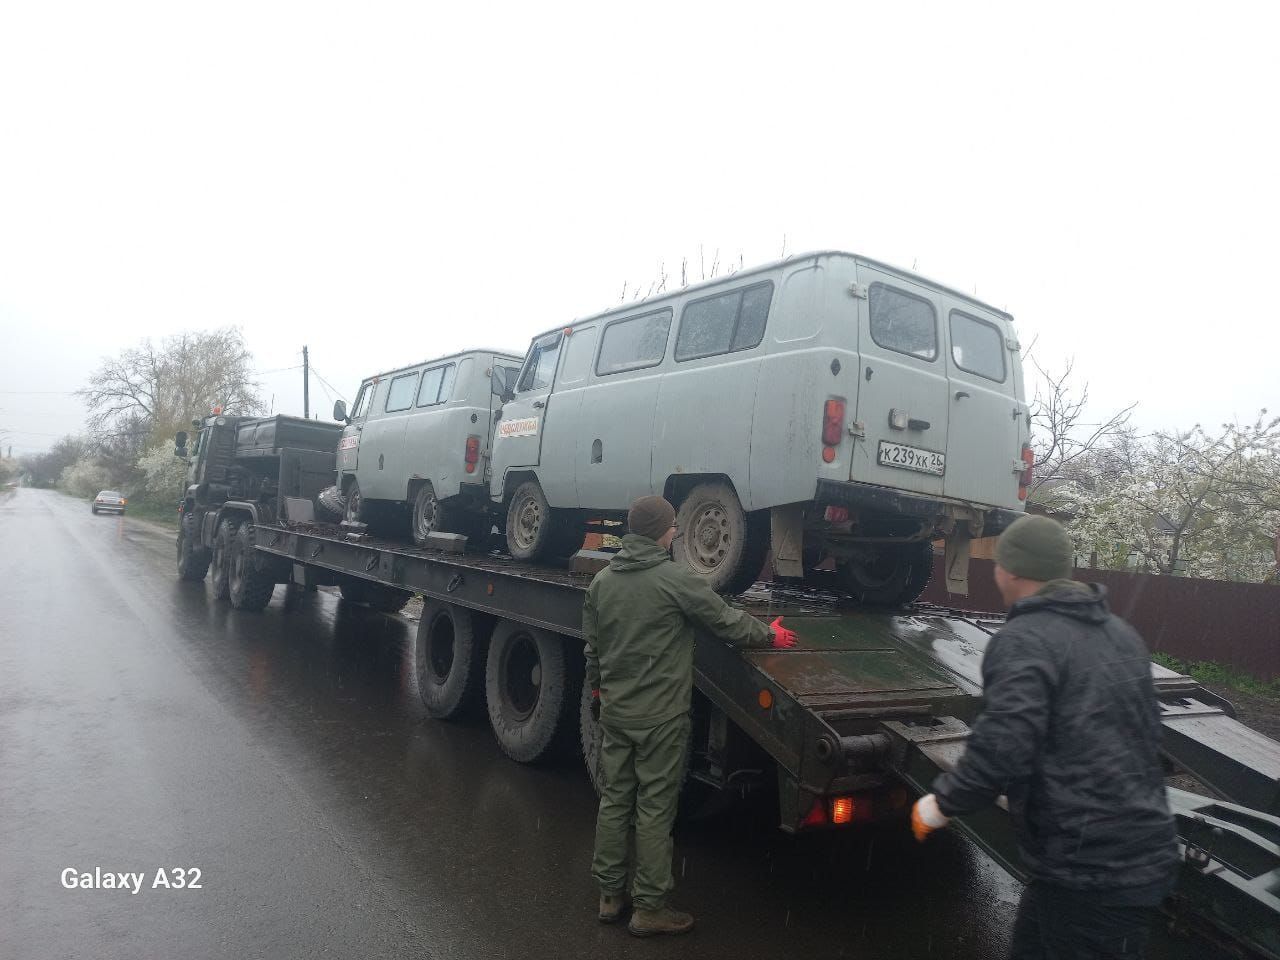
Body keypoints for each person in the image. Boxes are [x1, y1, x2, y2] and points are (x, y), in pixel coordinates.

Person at [911, 514, 1179, 959]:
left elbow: (1002, 747)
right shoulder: (1121, 634)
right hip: (1120, 856)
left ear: (1011, 569)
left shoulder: (1025, 639)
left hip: (1090, 871)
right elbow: (1145, 736)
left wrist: (939, 805)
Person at [583, 495, 797, 937]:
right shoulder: (675, 580)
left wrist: (600, 692)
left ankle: (609, 896)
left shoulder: (602, 582)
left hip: (618, 713)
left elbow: (594, 651)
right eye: (673, 525)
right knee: (655, 811)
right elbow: (726, 622)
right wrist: (769, 635)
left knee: (615, 800)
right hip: (661, 719)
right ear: (659, 531)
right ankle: (650, 908)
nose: (677, 531)